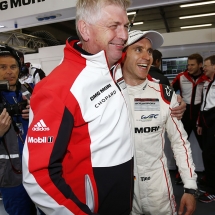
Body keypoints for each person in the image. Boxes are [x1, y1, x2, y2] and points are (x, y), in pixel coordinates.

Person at [22, 1, 134, 215]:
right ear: (85, 29)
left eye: (126, 26)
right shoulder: (58, 88)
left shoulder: (111, 66)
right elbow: (37, 174)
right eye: (114, 26)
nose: (124, 35)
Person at [122, 30, 198, 215]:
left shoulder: (164, 94)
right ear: (123, 55)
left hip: (159, 189)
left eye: (149, 51)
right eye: (138, 49)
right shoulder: (108, 94)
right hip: (122, 190)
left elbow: (180, 142)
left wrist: (189, 186)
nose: (147, 57)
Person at [0, 45, 37, 215]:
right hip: (12, 175)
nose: (9, 72)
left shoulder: (30, 93)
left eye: (13, 66)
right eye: (3, 67)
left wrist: (37, 113)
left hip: (38, 171)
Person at [171, 53, 208, 184]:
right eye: (188, 65)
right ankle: (180, 174)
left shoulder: (206, 77)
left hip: (200, 117)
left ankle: (207, 175)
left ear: (200, 65)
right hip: (185, 116)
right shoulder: (181, 77)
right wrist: (177, 100)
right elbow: (169, 91)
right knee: (180, 146)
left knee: (206, 147)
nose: (189, 67)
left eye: (192, 65)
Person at [197, 55, 215, 203]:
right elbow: (205, 105)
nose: (204, 68)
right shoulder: (209, 82)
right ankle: (210, 181)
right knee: (208, 155)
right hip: (207, 124)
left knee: (212, 157)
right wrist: (201, 124)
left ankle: (213, 191)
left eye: (207, 65)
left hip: (213, 125)